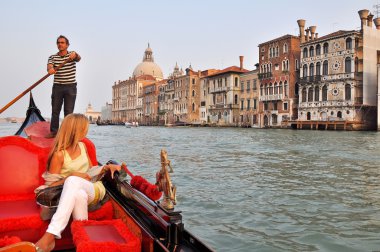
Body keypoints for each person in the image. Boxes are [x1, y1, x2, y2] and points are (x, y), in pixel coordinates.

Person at [35, 114, 121, 252]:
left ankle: (50, 236)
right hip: (75, 192)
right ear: (75, 130)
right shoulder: (59, 155)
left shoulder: (83, 146)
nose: (86, 131)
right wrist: (71, 175)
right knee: (78, 193)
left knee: (74, 182)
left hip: (94, 188)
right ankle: (84, 245)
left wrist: (105, 167)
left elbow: (90, 170)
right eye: (84, 128)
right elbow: (49, 188)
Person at [46, 35, 81, 138]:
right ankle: (54, 132)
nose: (60, 44)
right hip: (58, 87)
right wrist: (50, 69)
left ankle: (68, 133)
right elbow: (49, 67)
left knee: (69, 112)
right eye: (58, 43)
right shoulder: (52, 57)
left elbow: (78, 58)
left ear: (67, 45)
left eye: (62, 42)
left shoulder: (72, 55)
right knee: (55, 110)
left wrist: (75, 55)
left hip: (71, 87)